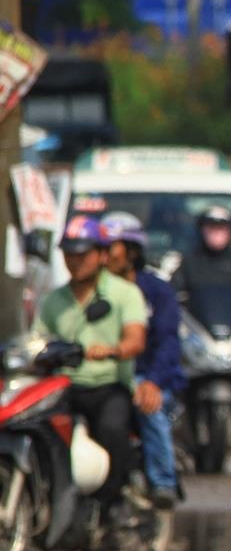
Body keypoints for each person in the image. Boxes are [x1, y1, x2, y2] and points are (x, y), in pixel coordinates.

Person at [34, 216, 148, 533]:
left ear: (101, 254)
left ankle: (113, 503)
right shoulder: (54, 300)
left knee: (112, 429)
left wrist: (111, 350)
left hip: (109, 386)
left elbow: (136, 339)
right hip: (65, 388)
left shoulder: (125, 293)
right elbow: (37, 340)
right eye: (69, 253)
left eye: (82, 253)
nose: (75, 261)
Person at [102, 211, 183, 508]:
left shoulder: (157, 291)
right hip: (107, 378)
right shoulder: (95, 291)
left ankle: (163, 482)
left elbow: (168, 343)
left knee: (149, 407)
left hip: (152, 378)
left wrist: (152, 382)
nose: (103, 255)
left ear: (131, 251)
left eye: (110, 247)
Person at [171, 205, 231, 311]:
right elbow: (173, 290)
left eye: (221, 229)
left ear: (230, 232)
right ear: (201, 231)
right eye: (211, 229)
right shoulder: (190, 260)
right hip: (198, 322)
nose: (216, 234)